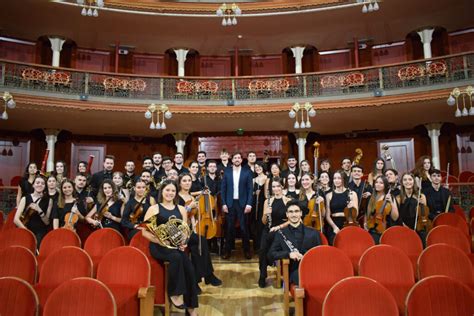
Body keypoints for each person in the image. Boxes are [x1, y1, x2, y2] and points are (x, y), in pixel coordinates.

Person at [142, 180, 199, 315]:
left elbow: (184, 231)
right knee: (176, 258)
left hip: (175, 247)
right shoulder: (154, 209)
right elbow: (144, 232)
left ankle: (192, 308)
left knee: (189, 269)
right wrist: (160, 241)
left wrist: (184, 241)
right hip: (158, 246)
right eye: (167, 190)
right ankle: (175, 293)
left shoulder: (180, 209)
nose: (170, 193)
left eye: (173, 191)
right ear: (162, 191)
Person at [176, 174, 222, 288]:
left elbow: (195, 215)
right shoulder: (177, 197)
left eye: (189, 180)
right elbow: (177, 216)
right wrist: (188, 207)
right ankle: (207, 276)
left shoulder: (191, 196)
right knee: (200, 243)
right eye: (184, 181)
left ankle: (197, 280)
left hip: (191, 230)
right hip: (180, 231)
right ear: (179, 183)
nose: (187, 183)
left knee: (199, 247)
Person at [268, 199, 321, 286]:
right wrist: (289, 254)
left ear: (301, 213)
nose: (294, 214)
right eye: (291, 212)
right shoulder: (281, 233)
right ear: (287, 214)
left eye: (296, 211)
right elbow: (271, 254)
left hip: (312, 268)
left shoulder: (313, 233)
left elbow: (320, 254)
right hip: (295, 271)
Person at [258, 177, 292, 288]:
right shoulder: (267, 201)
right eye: (273, 186)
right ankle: (262, 275)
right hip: (268, 229)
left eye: (278, 186)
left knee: (269, 252)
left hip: (281, 230)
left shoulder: (288, 201)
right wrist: (265, 213)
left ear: (282, 187)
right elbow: (263, 222)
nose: (276, 189)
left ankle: (270, 261)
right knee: (262, 249)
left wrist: (278, 227)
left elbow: (291, 220)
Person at [221, 152, 254, 260]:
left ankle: (247, 251)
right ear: (232, 160)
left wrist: (249, 204)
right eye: (235, 158)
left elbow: (250, 189)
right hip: (230, 203)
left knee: (244, 228)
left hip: (243, 204)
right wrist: (224, 204)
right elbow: (223, 189)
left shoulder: (247, 172)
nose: (237, 159)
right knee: (229, 228)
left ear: (241, 160)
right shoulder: (227, 172)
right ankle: (227, 251)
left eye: (239, 158)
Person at [14, 175, 52, 247]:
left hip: (40, 232)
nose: (40, 185)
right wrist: (27, 232)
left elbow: (47, 222)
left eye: (42, 183)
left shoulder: (49, 200)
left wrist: (39, 210)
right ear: (33, 185)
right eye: (37, 183)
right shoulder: (25, 198)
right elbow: (16, 219)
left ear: (45, 186)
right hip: (25, 230)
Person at [325, 170, 358, 245]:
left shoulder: (352, 194)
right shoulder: (329, 195)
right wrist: (334, 227)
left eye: (339, 178)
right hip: (334, 224)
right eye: (334, 178)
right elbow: (327, 216)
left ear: (343, 179)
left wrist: (352, 208)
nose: (336, 180)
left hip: (348, 222)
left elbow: (356, 214)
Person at [397, 173, 429, 245]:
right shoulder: (399, 197)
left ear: (413, 181)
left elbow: (424, 214)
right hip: (404, 226)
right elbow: (398, 215)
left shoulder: (421, 196)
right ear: (402, 182)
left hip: (419, 225)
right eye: (405, 180)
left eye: (410, 179)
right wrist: (403, 225)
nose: (407, 182)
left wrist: (421, 205)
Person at [365, 176, 399, 244]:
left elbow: (395, 217)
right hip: (371, 229)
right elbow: (367, 214)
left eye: (381, 183)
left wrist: (391, 203)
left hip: (385, 229)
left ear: (385, 185)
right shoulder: (371, 198)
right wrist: (365, 224)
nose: (378, 184)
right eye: (376, 182)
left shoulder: (390, 197)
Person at [252, 162, 268, 252]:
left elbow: (266, 194)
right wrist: (254, 193)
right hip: (255, 204)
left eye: (259, 166)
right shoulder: (253, 180)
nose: (258, 168)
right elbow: (251, 193)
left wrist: (260, 192)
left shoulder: (266, 178)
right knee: (255, 225)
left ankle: (263, 246)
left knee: (262, 224)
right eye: (256, 167)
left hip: (263, 203)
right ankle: (256, 246)